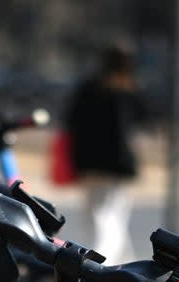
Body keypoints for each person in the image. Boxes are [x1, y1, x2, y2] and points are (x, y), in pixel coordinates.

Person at [63, 41, 147, 265]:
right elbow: (143, 121)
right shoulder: (130, 90)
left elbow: (71, 121)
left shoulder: (89, 88)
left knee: (98, 216)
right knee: (113, 216)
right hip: (119, 164)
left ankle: (103, 264)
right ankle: (121, 266)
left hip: (90, 162)